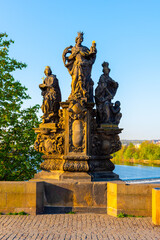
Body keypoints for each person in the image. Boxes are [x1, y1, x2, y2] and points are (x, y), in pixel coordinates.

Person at [62, 32, 97, 101]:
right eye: (80, 39)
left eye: (82, 39)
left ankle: (83, 93)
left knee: (83, 80)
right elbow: (69, 58)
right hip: (76, 65)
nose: (81, 40)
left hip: (84, 66)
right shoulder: (73, 48)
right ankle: (74, 93)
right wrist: (74, 53)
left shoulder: (84, 48)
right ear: (77, 39)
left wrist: (93, 49)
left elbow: (90, 55)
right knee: (75, 78)